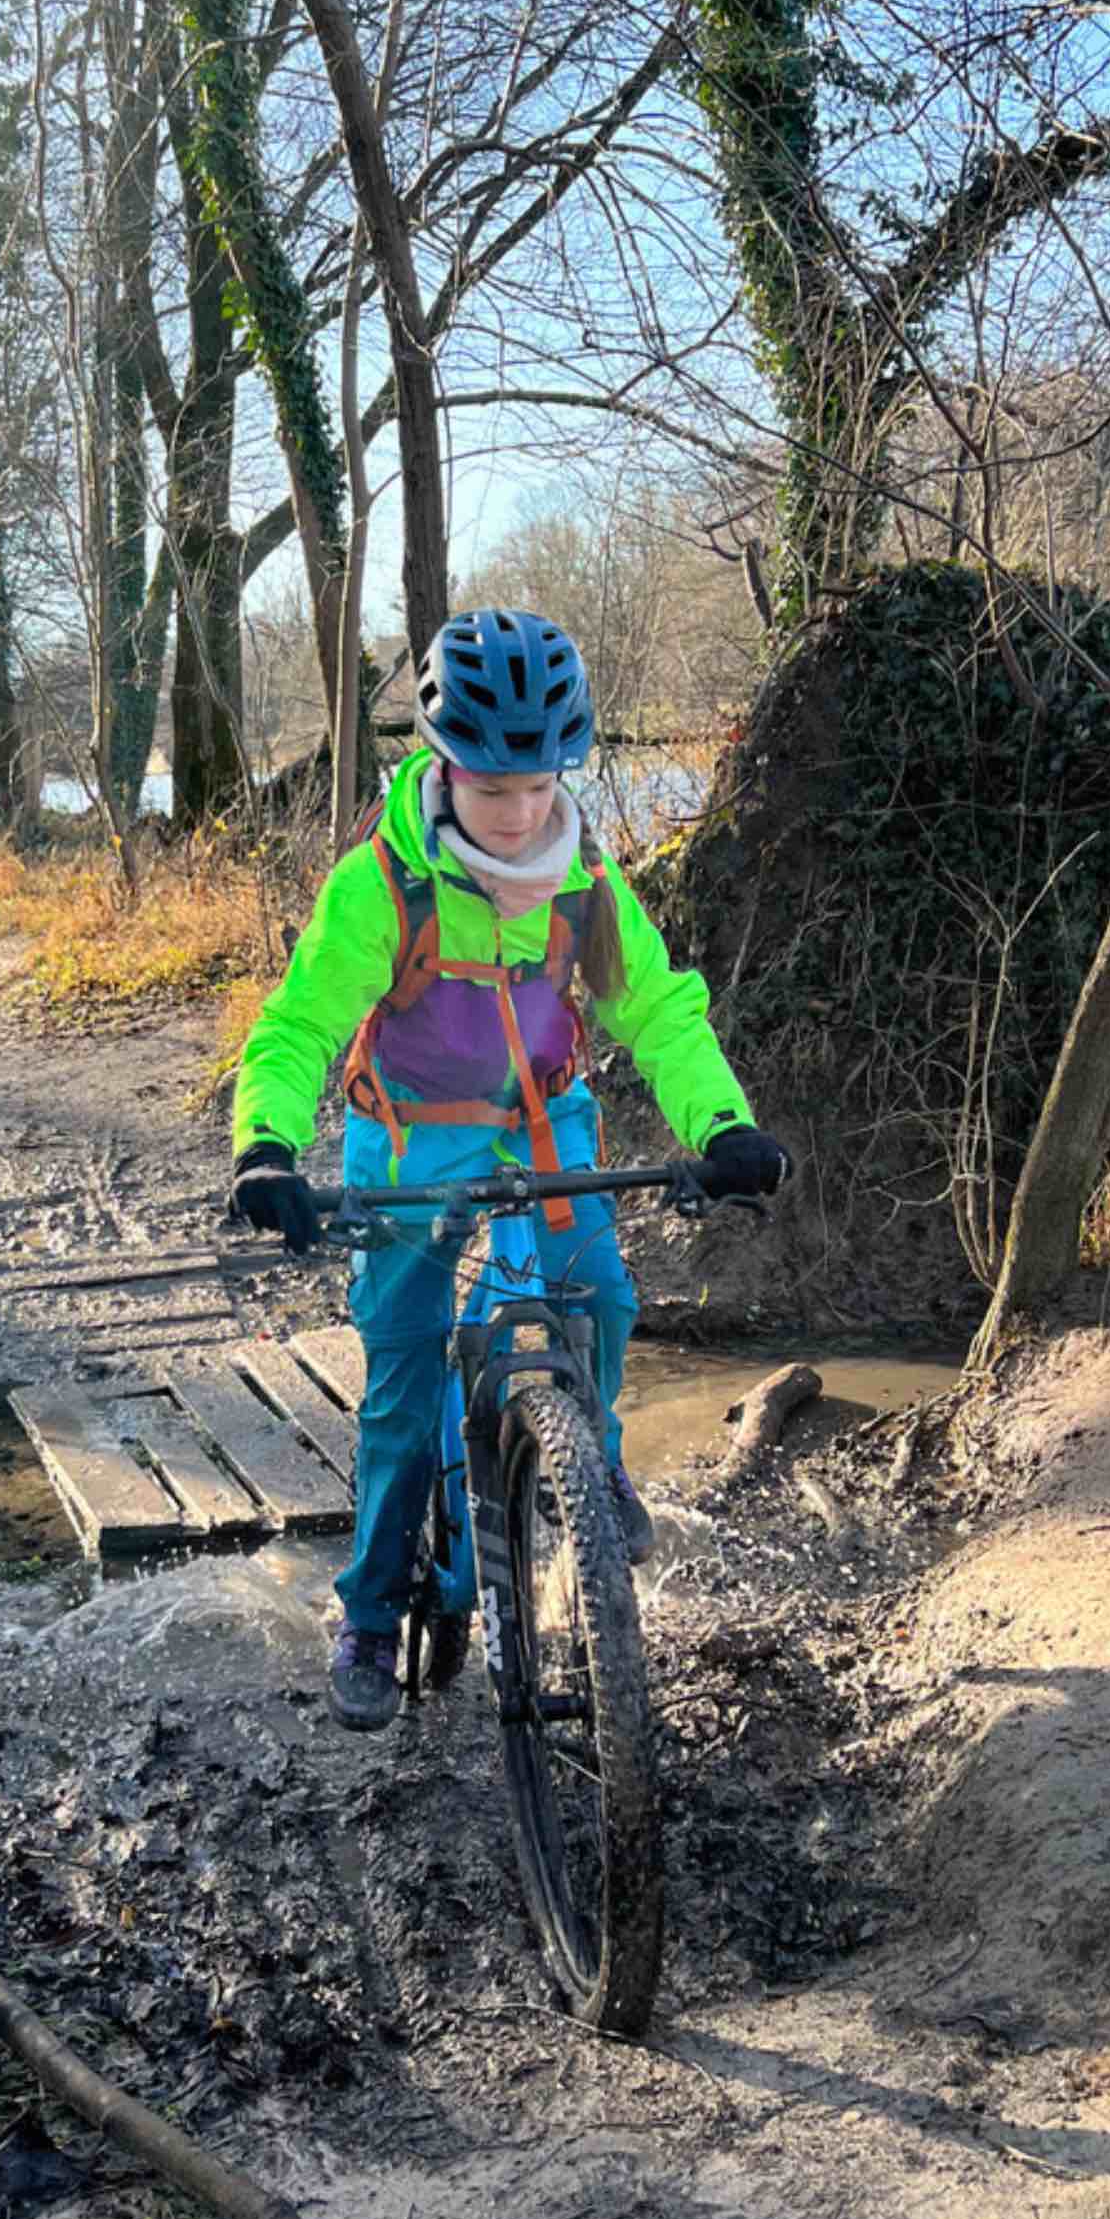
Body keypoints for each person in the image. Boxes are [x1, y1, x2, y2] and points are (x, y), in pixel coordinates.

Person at [228, 608, 791, 1732]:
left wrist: (723, 1124)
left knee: (600, 1292)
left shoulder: (585, 878)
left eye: (542, 785)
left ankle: (595, 1464)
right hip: (408, 1141)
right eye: (496, 789)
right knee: (399, 1390)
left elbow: (659, 1011)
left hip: (543, 1125)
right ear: (442, 766)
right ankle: (375, 1612)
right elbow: (298, 1028)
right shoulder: (381, 885)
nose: (523, 811)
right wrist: (267, 1146)